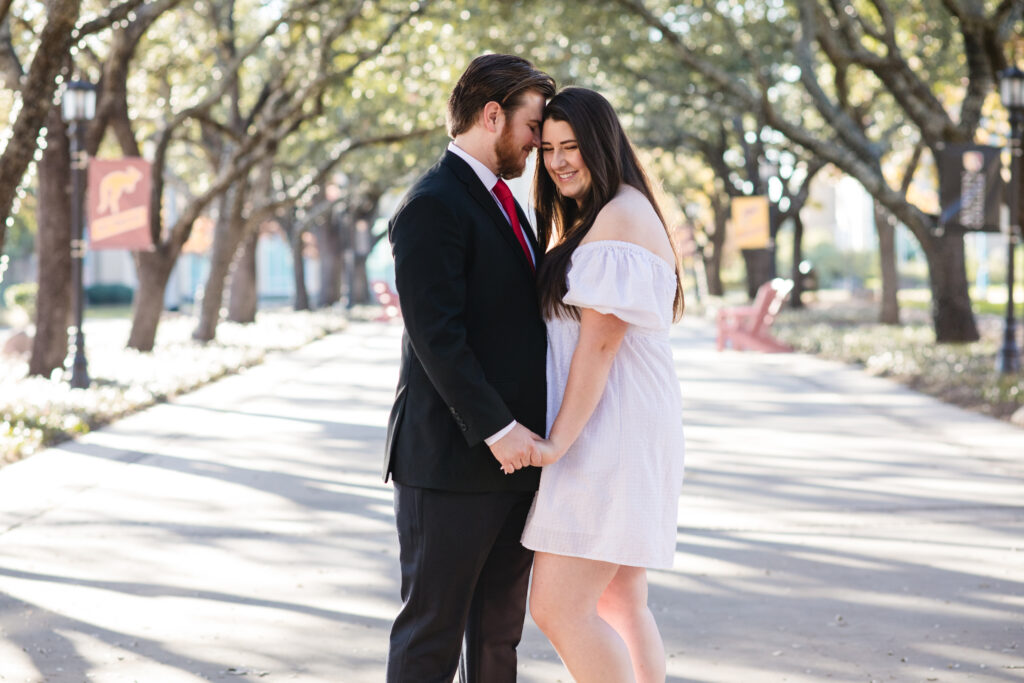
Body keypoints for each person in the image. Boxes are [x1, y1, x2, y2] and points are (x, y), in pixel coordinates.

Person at [383, 54, 556, 683]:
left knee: (496, 641)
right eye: (533, 125)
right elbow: (437, 336)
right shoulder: (433, 203)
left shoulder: (509, 204)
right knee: (431, 634)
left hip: (516, 463)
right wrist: (497, 429)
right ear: (492, 116)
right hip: (452, 464)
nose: (538, 142)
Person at [520, 87, 687, 683]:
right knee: (619, 603)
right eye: (548, 148)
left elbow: (600, 345)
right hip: (619, 426)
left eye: (572, 146)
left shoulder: (618, 216)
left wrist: (557, 444)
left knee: (558, 608)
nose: (559, 160)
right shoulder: (611, 211)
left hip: (608, 435)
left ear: (603, 144)